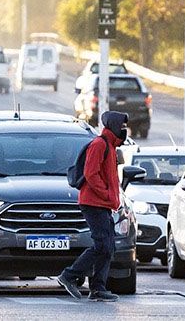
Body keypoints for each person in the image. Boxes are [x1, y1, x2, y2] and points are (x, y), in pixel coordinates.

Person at [57, 110, 128, 303]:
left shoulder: (112, 147)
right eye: (121, 126)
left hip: (104, 204)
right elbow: (91, 174)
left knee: (108, 247)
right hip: (93, 202)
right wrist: (106, 194)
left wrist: (114, 198)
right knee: (102, 245)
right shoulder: (99, 145)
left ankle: (98, 288)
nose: (124, 130)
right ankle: (69, 275)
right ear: (113, 125)